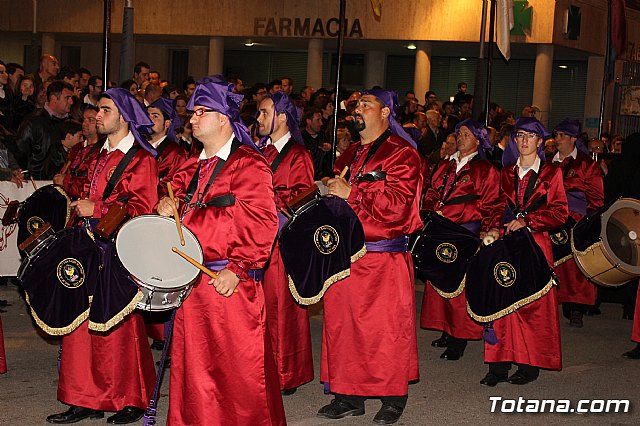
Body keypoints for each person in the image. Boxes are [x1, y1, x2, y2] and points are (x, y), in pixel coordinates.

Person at [156, 75, 285, 425]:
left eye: (200, 111)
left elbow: (262, 222)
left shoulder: (249, 163)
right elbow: (174, 195)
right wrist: (167, 205)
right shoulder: (191, 164)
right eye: (192, 112)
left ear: (223, 118)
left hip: (228, 280)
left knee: (237, 370)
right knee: (195, 367)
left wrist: (240, 268)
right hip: (192, 281)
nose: (192, 118)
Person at [46, 88, 159, 424]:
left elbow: (144, 209)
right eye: (97, 110)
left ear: (123, 117)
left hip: (119, 249)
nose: (97, 116)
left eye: (105, 111)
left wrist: (99, 208)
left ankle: (131, 398)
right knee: (79, 322)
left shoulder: (142, 160)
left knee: (120, 324)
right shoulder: (96, 155)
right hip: (88, 246)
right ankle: (83, 397)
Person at [319, 90, 423, 425]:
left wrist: (354, 192)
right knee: (343, 327)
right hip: (344, 255)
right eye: (355, 106)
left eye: (366, 105)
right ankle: (349, 395)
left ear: (386, 111)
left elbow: (400, 207)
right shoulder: (348, 153)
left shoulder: (402, 154)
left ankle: (393, 397)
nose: (357, 110)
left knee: (385, 330)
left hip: (382, 259)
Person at [480, 117, 568, 387]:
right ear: (514, 140)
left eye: (531, 136)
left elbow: (560, 212)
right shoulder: (505, 173)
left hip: (535, 244)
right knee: (500, 299)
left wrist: (529, 221)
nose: (525, 140)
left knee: (532, 305)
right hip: (506, 242)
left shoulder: (552, 174)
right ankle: (498, 365)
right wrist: (490, 229)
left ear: (540, 142)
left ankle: (529, 364)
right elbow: (493, 208)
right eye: (520, 135)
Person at [420, 118, 501, 361]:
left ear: (478, 140)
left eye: (466, 133)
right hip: (440, 230)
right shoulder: (445, 165)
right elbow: (432, 192)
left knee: (459, 287)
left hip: (465, 232)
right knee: (438, 282)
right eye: (459, 132)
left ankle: (460, 337)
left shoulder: (485, 170)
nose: (460, 136)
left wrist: (487, 230)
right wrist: (428, 213)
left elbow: (492, 204)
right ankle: (446, 329)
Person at [256, 91, 315, 395]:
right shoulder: (258, 150)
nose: (259, 118)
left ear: (281, 117)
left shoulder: (298, 155)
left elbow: (304, 198)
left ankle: (285, 373)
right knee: (259, 308)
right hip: (257, 239)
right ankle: (260, 367)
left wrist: (268, 205)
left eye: (265, 113)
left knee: (282, 309)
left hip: (281, 241)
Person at [550, 119, 604, 328]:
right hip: (553, 218)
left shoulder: (586, 164)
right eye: (556, 135)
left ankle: (575, 308)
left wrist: (588, 222)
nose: (558, 140)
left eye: (562, 136)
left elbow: (596, 198)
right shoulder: (548, 162)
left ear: (573, 139)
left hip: (577, 220)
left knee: (574, 267)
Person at [15, 80, 74, 178]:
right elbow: (20, 153)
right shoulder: (33, 122)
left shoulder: (72, 124)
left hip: (64, 181)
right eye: (67, 98)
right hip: (35, 181)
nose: (71, 102)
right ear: (54, 98)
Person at [54, 105, 102, 199]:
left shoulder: (102, 150)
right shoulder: (77, 147)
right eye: (84, 120)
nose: (84, 123)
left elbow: (94, 184)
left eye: (91, 120)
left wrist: (66, 181)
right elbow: (64, 171)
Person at [147, 97, 187, 198]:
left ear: (167, 123)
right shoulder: (136, 148)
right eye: (147, 115)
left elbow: (176, 187)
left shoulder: (177, 154)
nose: (149, 120)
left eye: (155, 116)